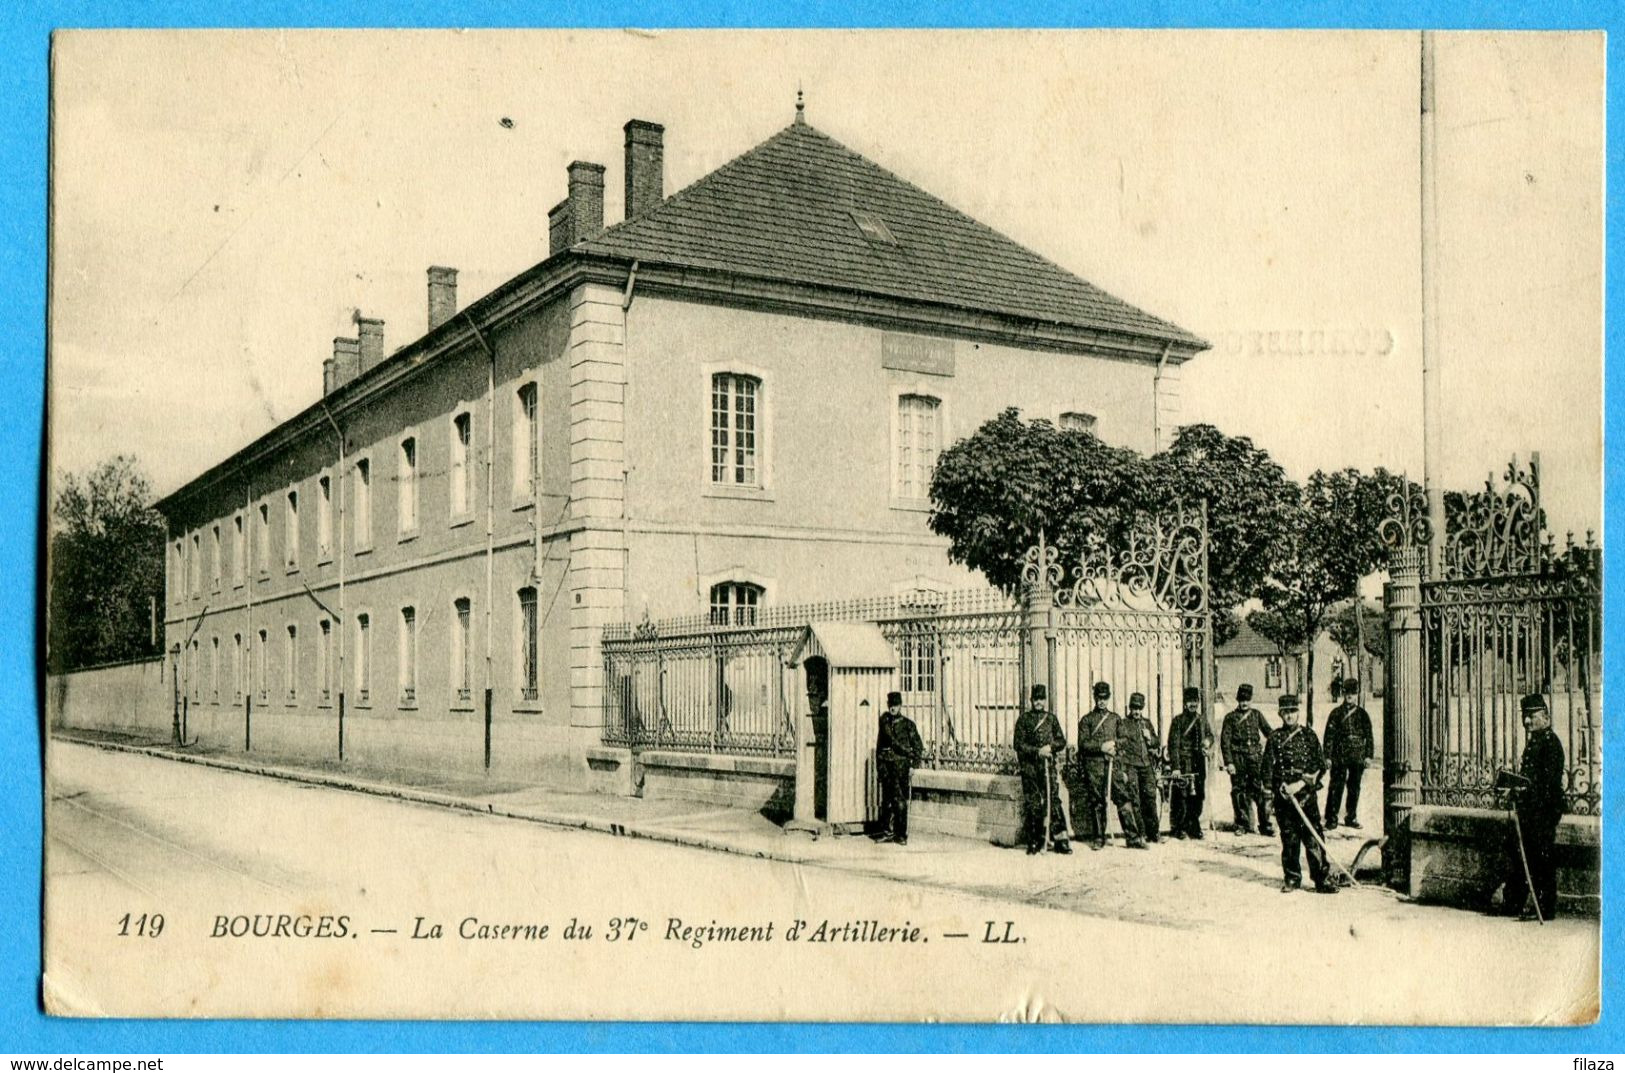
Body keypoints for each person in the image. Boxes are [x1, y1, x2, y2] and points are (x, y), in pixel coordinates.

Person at [1498, 693, 1566, 920]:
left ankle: (1545, 908)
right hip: (1531, 810)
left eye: (1531, 716)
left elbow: (1548, 783)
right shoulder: (1535, 742)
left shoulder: (1551, 744)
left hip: (1545, 810)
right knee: (1522, 854)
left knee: (1541, 858)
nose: (1526, 722)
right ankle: (1514, 903)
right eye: (1524, 717)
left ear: (1545, 717)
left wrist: (1523, 790)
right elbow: (1529, 778)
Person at [1263, 694, 1337, 894]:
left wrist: (1300, 784)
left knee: (1313, 837)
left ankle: (1322, 878)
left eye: (1293, 712)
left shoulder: (1309, 736)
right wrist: (1273, 790)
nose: (1290, 716)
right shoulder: (1274, 738)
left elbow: (1319, 765)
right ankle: (1292, 878)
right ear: (1280, 714)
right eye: (1286, 713)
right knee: (1289, 839)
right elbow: (1267, 768)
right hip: (1284, 799)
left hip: (1306, 797)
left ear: (1298, 713)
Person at [1071, 681, 1146, 850]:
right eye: (1099, 698)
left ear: (1109, 698)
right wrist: (1101, 747)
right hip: (1094, 767)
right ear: (1094, 698)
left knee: (1123, 799)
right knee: (1097, 802)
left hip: (1114, 766)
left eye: (1105, 698)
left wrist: (1114, 744)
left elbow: (1125, 739)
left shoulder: (1116, 719)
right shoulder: (1087, 720)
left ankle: (1132, 838)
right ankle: (1099, 838)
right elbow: (1083, 744)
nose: (1102, 701)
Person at [1012, 684, 1071, 855]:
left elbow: (1061, 741)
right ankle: (1034, 841)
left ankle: (1061, 841)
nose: (1038, 702)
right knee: (1033, 804)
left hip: (1048, 769)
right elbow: (1019, 744)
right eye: (1035, 699)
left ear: (1045, 700)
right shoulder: (1024, 720)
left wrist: (1050, 748)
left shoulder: (1051, 719)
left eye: (1041, 699)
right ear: (1031, 701)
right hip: (1030, 768)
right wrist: (1037, 751)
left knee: (1053, 801)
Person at [1220, 683, 1275, 836]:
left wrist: (1276, 745)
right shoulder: (1230, 718)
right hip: (1238, 759)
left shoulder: (1257, 715)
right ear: (1238, 700)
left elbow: (1269, 733)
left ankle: (1265, 824)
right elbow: (1225, 742)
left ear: (1251, 700)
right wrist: (1229, 762)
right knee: (1239, 791)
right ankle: (1242, 824)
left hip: (1255, 759)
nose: (1244, 703)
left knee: (1259, 791)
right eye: (1242, 700)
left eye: (1247, 700)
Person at [1322, 676, 1375, 831]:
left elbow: (1369, 736)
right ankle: (1331, 818)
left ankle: (1351, 817)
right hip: (1340, 754)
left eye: (1352, 693)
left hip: (1357, 755)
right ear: (1343, 694)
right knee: (1336, 786)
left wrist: (1368, 756)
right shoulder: (1336, 714)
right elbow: (1329, 736)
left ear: (1357, 694)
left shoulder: (1363, 715)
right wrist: (1328, 756)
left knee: (1354, 787)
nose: (1350, 696)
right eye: (1347, 693)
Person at [875, 690, 924, 845]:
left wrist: (913, 765)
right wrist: (880, 767)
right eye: (890, 705)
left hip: (900, 768)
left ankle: (901, 835)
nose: (892, 708)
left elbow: (918, 746)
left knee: (899, 800)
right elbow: (880, 746)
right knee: (886, 801)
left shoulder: (908, 725)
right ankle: (887, 832)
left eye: (895, 705)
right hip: (886, 767)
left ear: (900, 705)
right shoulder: (884, 722)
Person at [1166, 685, 1215, 839]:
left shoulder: (1201, 720)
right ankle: (1178, 827)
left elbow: (1210, 736)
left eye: (1195, 701)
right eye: (1190, 701)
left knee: (1198, 796)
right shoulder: (1178, 721)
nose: (1193, 704)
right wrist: (1175, 767)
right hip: (1183, 762)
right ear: (1185, 703)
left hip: (1198, 762)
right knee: (1181, 796)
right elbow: (1173, 745)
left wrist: (1207, 743)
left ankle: (1193, 825)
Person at [1119, 692, 1162, 843]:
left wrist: (1150, 737)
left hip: (1147, 765)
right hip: (1131, 766)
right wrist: (1123, 769)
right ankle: (1141, 834)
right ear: (1130, 708)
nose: (1136, 711)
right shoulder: (1124, 723)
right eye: (1134, 708)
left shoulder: (1147, 723)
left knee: (1150, 798)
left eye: (1139, 708)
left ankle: (1154, 833)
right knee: (1135, 799)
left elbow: (1156, 742)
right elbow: (1121, 747)